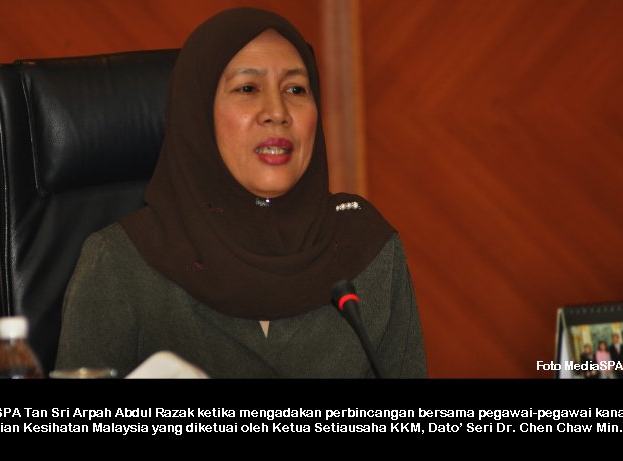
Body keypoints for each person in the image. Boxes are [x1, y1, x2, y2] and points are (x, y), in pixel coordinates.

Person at [55, 7, 426, 378]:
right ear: (198, 113)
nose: (277, 112)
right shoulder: (120, 265)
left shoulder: (366, 249)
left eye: (295, 89)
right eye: (248, 88)